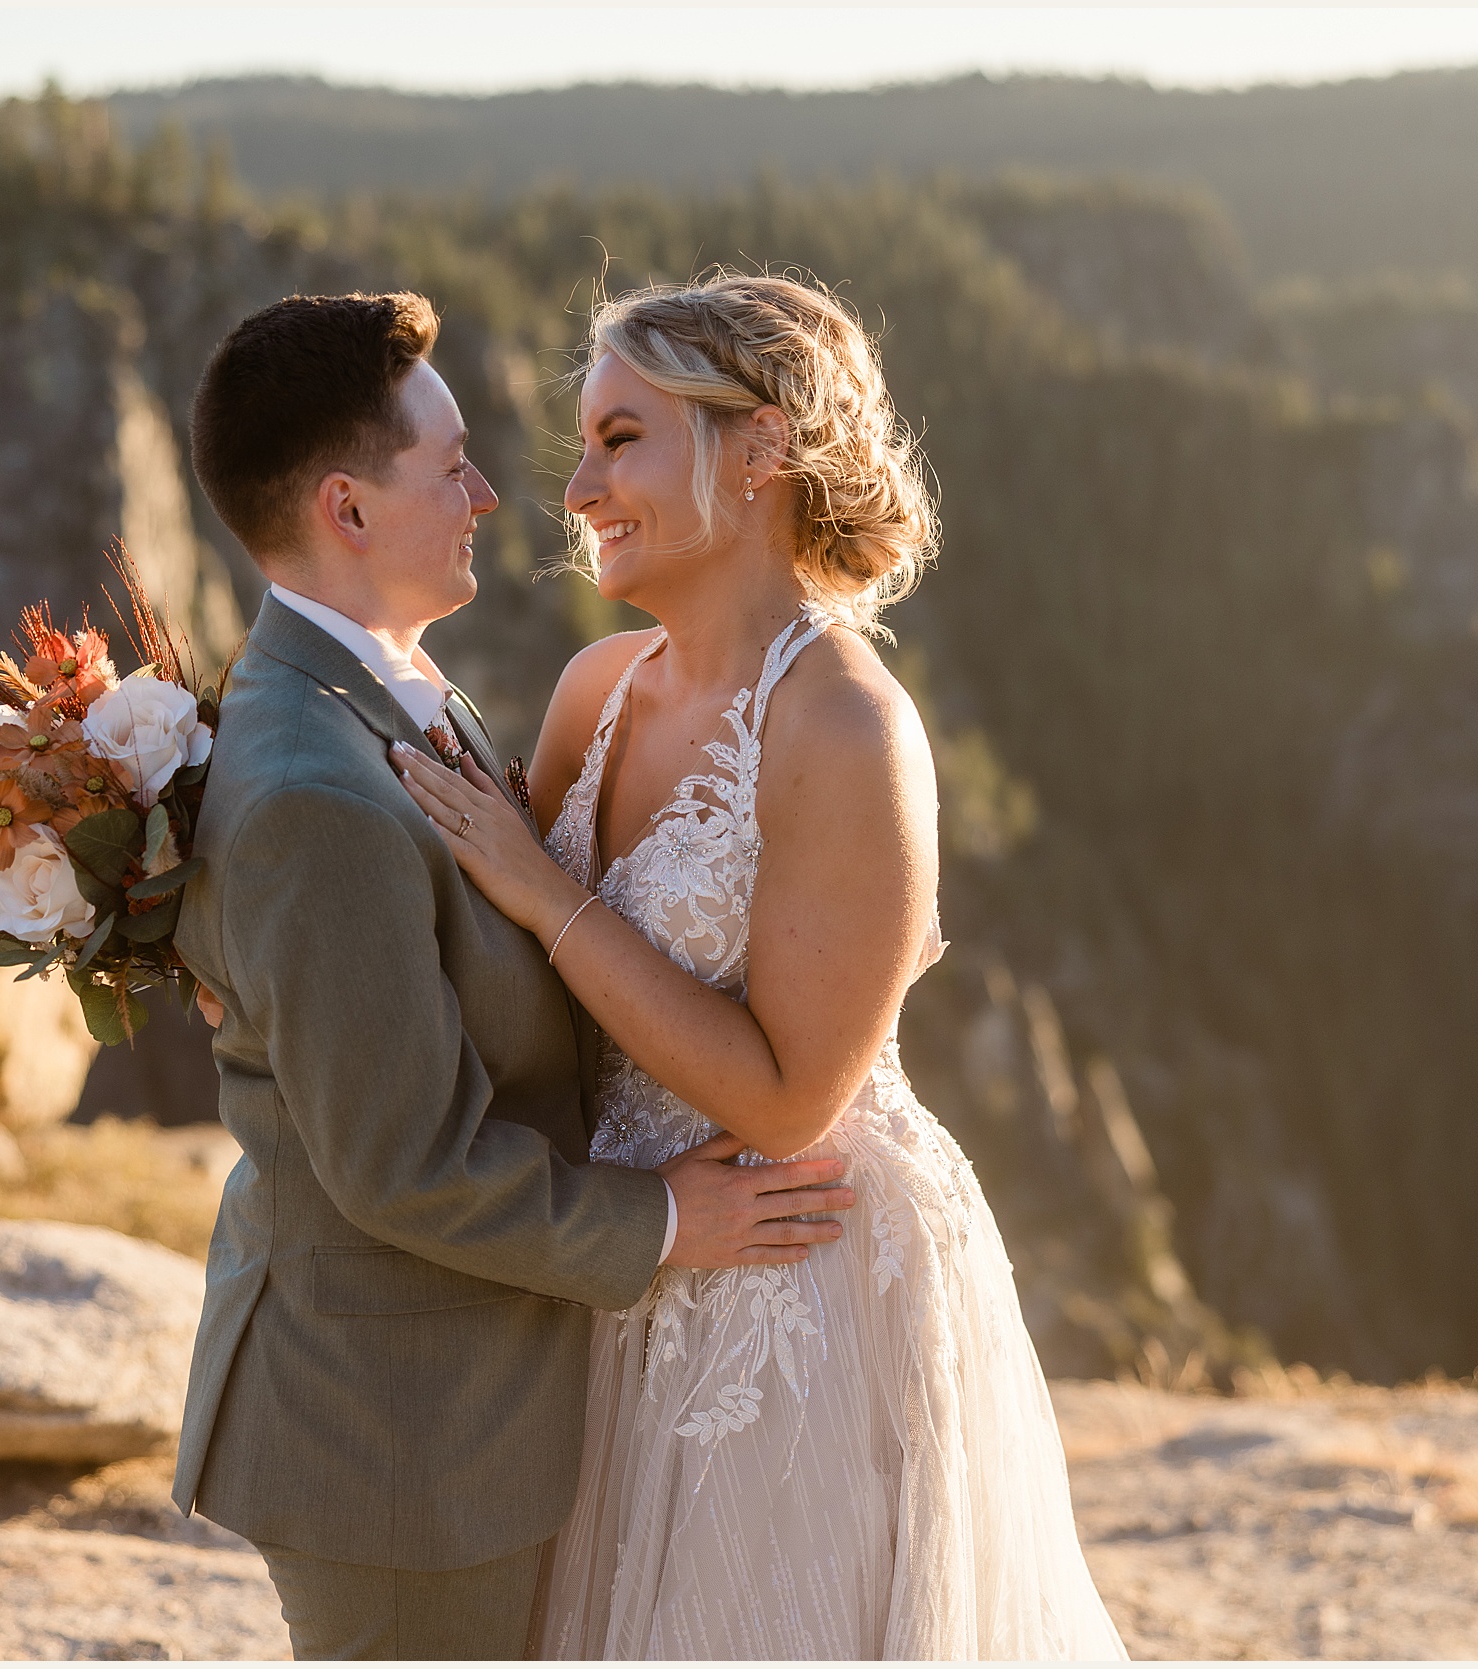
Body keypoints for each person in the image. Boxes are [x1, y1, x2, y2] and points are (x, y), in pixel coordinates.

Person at [392, 271, 1130, 1659]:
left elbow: (790, 1097)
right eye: (586, 444)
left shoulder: (848, 726)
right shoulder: (592, 691)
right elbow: (473, 931)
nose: (579, 487)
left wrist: (550, 896)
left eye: (623, 440)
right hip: (620, 1253)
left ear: (762, 448)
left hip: (797, 1280)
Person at [171, 290, 859, 1661]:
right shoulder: (320, 778)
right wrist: (665, 1222)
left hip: (473, 1394)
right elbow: (405, 1164)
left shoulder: (390, 695)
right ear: (349, 512)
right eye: (449, 465)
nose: (494, 493)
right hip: (402, 1439)